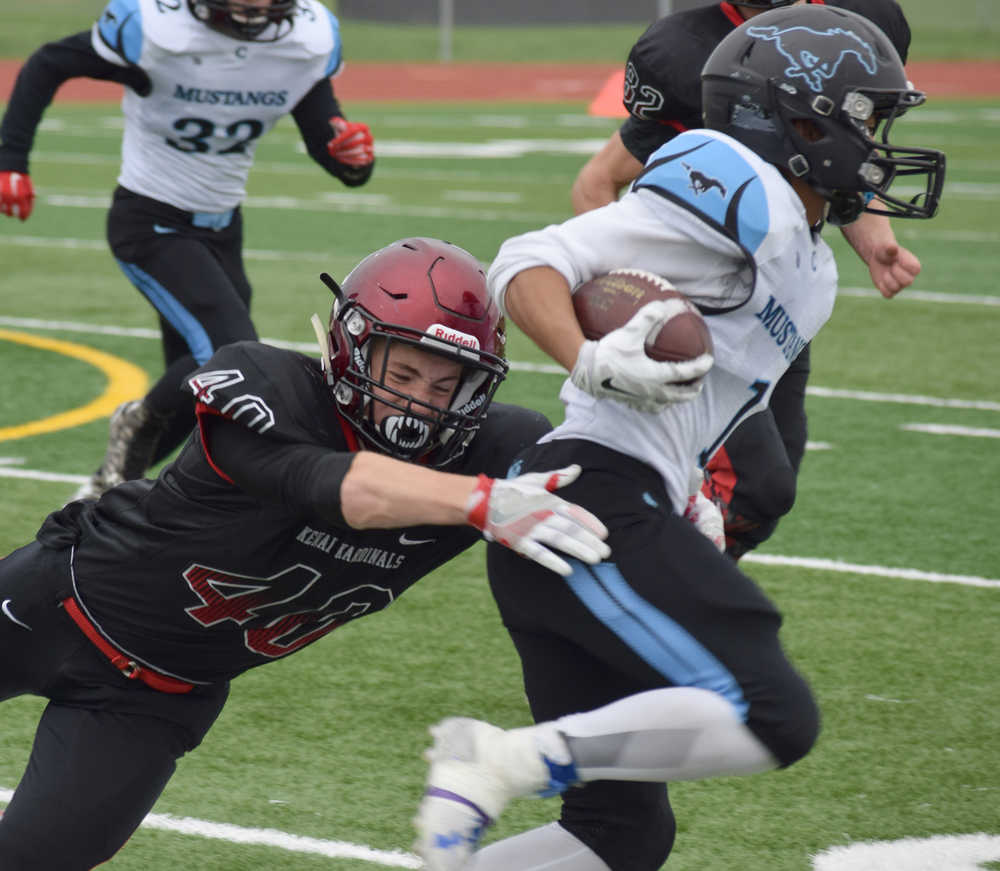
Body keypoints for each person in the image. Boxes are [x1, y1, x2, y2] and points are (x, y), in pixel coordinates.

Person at [413, 7, 945, 870]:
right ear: (802, 121)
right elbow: (526, 260)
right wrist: (587, 360)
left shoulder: (808, 262)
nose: (879, 142)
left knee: (619, 837)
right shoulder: (737, 177)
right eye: (867, 118)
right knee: (770, 711)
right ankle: (500, 758)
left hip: (613, 502)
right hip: (586, 508)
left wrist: (690, 486)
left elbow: (710, 402)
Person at [0, 237, 612, 871]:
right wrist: (481, 501)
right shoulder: (271, 388)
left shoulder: (496, 450)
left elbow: (601, 494)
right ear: (348, 348)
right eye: (400, 374)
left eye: (443, 385)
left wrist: (673, 503)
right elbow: (342, 489)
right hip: (51, 607)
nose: (418, 404)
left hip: (156, 697)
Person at [571, 0, 918, 558]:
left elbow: (838, 156)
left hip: (779, 298)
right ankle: (645, 603)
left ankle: (672, 604)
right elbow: (598, 181)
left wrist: (871, 236)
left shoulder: (858, 21)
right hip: (706, 306)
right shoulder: (689, 53)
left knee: (758, 502)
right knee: (752, 487)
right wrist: (631, 299)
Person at [0, 0, 378, 500]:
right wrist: (12, 157)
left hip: (223, 230)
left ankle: (103, 492)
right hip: (150, 222)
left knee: (200, 381)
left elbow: (326, 139)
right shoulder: (157, 30)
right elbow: (50, 62)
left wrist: (352, 160)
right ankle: (134, 436)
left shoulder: (304, 42)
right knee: (232, 353)